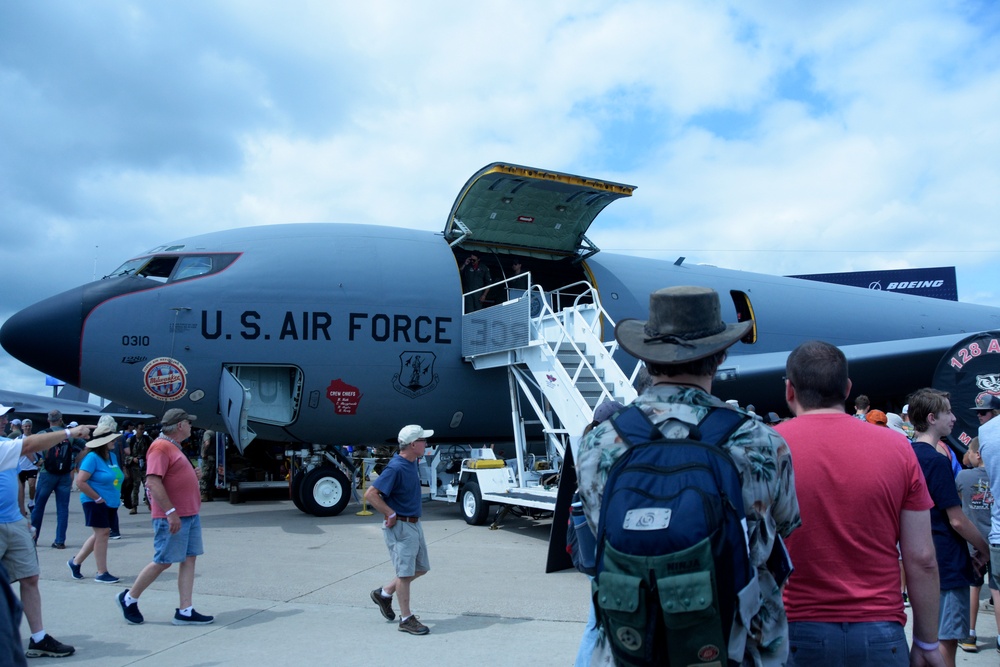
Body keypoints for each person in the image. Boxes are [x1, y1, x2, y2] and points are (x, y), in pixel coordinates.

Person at [575, 286, 801, 666]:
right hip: (737, 645)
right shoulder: (761, 440)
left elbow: (602, 531)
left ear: (646, 360)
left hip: (629, 644)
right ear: (720, 354)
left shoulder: (599, 441)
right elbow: (786, 524)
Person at [774, 341, 942, 666]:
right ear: (848, 388)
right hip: (881, 632)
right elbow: (921, 557)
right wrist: (926, 641)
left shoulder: (770, 448)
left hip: (796, 629)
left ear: (789, 391)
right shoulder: (898, 448)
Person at [1, 403, 95, 658]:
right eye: (1, 416)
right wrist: (70, 433)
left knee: (30, 577)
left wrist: (22, 516)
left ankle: (38, 638)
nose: (5, 420)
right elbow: (31, 445)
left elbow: (16, 481)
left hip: (13, 522)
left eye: (4, 416)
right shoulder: (4, 446)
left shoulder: (4, 445)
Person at [909, 387, 989, 667]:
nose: (954, 418)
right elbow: (956, 519)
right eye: (948, 412)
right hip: (947, 561)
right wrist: (985, 548)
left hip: (918, 559)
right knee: (945, 644)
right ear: (932, 418)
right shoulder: (936, 461)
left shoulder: (906, 454)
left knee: (923, 641)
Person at [116, 409, 213, 626]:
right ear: (179, 425)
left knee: (189, 558)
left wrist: (192, 474)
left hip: (189, 514)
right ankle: (129, 598)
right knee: (164, 561)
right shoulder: (160, 447)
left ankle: (185, 610)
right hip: (174, 516)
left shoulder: (173, 447)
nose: (191, 426)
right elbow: (152, 481)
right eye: (189, 422)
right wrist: (170, 513)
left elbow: (171, 475)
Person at [364, 424, 433, 636]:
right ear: (413, 444)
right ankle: (406, 619)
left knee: (421, 568)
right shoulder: (396, 467)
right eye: (423, 440)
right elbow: (371, 494)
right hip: (401, 527)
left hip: (414, 524)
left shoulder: (412, 461)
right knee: (405, 574)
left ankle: (384, 593)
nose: (426, 443)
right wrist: (390, 513)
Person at [955, 436, 1000, 653]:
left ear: (978, 454)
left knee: (973, 587)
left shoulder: (963, 476)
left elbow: (957, 499)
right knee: (997, 590)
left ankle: (969, 635)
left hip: (972, 543)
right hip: (995, 540)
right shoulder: (997, 476)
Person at [68, 416, 124, 584]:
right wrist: (97, 497)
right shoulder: (92, 458)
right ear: (103, 442)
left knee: (100, 534)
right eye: (111, 439)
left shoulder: (112, 456)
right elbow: (80, 481)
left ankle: (75, 562)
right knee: (103, 533)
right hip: (95, 501)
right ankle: (101, 572)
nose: (114, 441)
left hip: (110, 501)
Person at [30, 410, 85, 549]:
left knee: (39, 507)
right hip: (65, 474)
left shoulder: (43, 433)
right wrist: (74, 461)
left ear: (48, 420)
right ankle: (60, 540)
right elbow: (86, 447)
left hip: (46, 473)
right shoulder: (69, 435)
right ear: (61, 419)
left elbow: (28, 448)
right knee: (62, 509)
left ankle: (33, 540)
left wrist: (36, 462)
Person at [123, 420, 150, 514]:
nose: (142, 431)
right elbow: (125, 454)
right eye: (140, 429)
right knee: (135, 487)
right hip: (134, 467)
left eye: (143, 429)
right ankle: (134, 506)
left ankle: (150, 503)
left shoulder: (147, 439)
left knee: (148, 486)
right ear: (135, 429)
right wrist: (132, 459)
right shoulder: (131, 440)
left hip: (145, 466)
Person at [199, 430, 215, 502]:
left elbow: (207, 443)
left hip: (207, 458)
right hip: (213, 458)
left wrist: (204, 453)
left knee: (204, 476)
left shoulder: (207, 433)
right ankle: (210, 495)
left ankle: (204, 495)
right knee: (211, 477)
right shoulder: (215, 432)